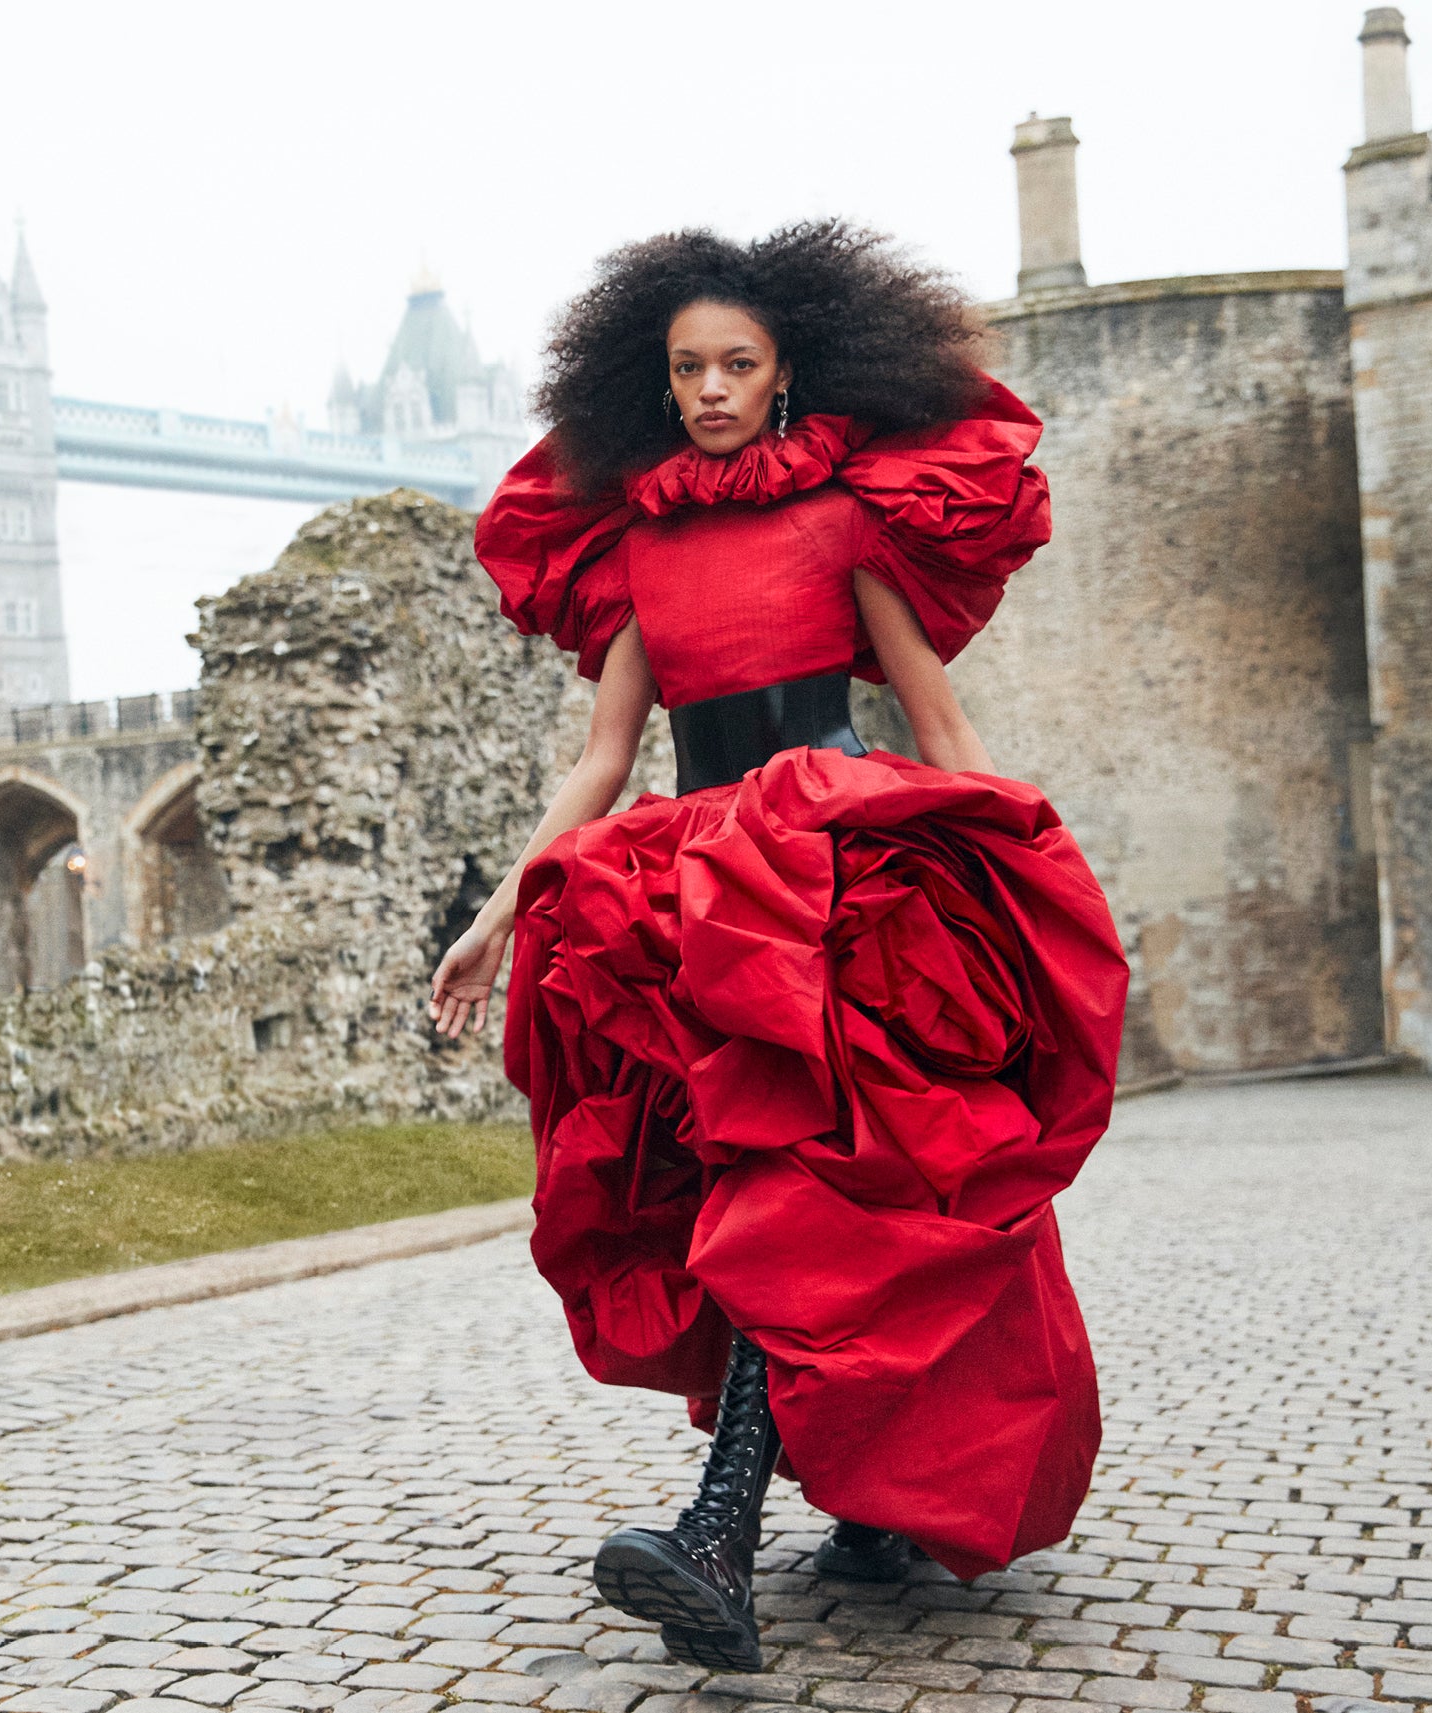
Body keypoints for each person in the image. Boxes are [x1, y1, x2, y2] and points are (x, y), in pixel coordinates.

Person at [429, 223, 1129, 1673]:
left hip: (835, 876)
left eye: (737, 363)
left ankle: (720, 1534)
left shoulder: (847, 520)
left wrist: (1017, 860)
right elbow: (607, 761)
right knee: (739, 1190)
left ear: (788, 369)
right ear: (655, 378)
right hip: (690, 887)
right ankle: (845, 1497)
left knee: (824, 1193)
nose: (710, 388)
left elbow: (933, 722)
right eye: (686, 367)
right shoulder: (634, 544)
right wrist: (501, 910)